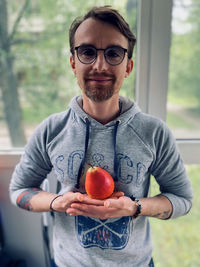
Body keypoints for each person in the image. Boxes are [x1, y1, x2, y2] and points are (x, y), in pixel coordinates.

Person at [10, 6, 193, 267]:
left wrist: (134, 207)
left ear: (128, 66)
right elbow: (19, 189)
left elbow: (182, 199)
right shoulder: (51, 130)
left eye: (113, 53)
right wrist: (57, 202)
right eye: (87, 52)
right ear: (73, 63)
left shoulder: (154, 133)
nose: (100, 65)